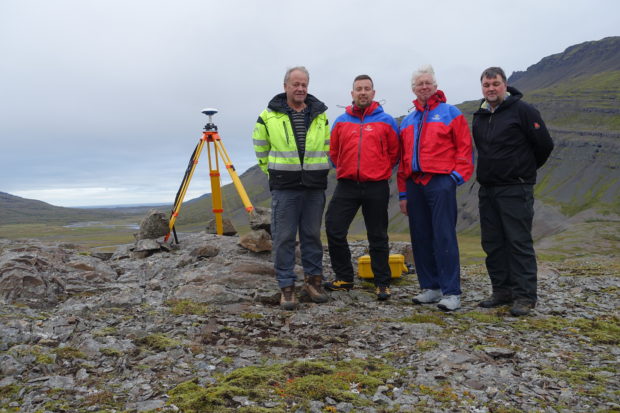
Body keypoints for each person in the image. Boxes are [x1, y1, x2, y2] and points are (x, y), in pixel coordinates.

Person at [472, 67, 554, 316]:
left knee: (518, 242)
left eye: (495, 84)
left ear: (505, 85)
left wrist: (523, 171)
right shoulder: (481, 115)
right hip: (488, 189)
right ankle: (502, 291)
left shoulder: (523, 111)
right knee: (493, 243)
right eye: (486, 85)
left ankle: (525, 296)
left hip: (515, 188)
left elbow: (545, 145)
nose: (491, 89)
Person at [252, 66, 331, 310]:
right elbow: (261, 150)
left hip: (314, 186)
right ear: (285, 86)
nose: (300, 89)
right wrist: (275, 174)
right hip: (285, 187)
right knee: (284, 237)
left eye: (304, 84)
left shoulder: (320, 115)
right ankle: (287, 286)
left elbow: (327, 147)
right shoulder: (268, 116)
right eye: (295, 84)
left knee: (311, 236)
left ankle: (313, 281)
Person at [397, 64, 473, 311]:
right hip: (414, 183)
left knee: (444, 236)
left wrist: (454, 178)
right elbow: (403, 159)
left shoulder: (451, 113)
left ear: (435, 85)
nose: (424, 86)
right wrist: (404, 193)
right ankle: (431, 287)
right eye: (419, 83)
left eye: (428, 82)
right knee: (420, 237)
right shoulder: (408, 120)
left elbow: (465, 149)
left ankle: (451, 292)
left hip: (441, 182)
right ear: (413, 88)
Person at [323, 75, 400, 301]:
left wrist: (380, 169)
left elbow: (394, 154)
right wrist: (346, 168)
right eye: (359, 89)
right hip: (347, 184)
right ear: (352, 93)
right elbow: (334, 153)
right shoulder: (340, 121)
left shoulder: (386, 121)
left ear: (373, 93)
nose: (363, 92)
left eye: (367, 89)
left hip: (376, 185)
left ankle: (382, 282)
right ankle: (345, 278)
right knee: (334, 228)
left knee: (377, 235)